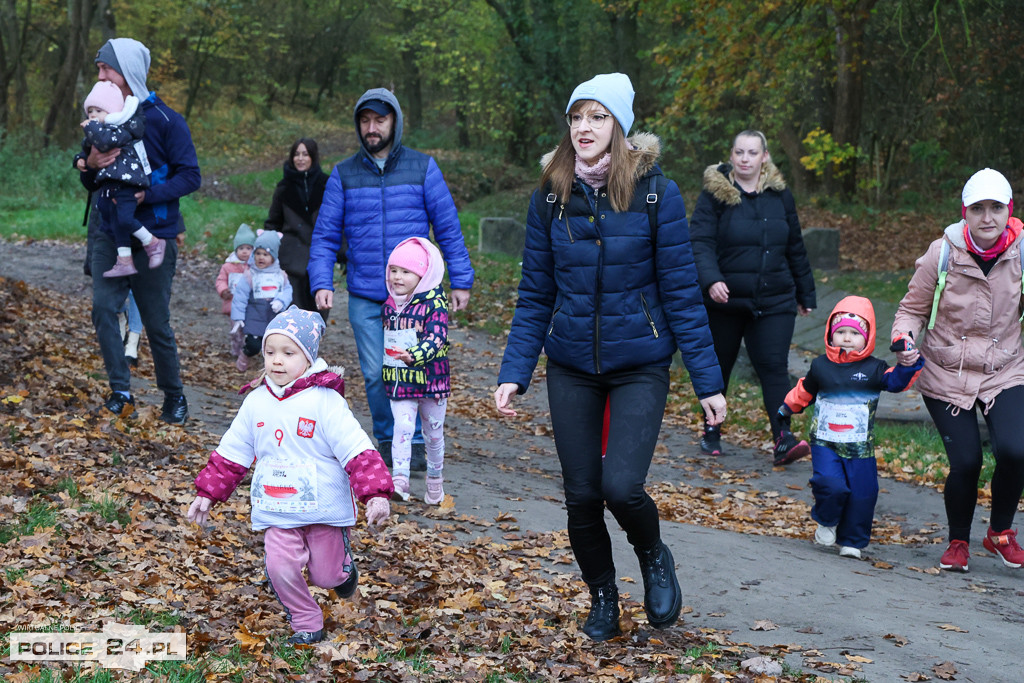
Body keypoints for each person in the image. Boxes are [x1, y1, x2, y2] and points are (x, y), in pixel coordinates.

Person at [493, 73, 726, 642]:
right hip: (571, 363)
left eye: (597, 117)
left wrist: (708, 382)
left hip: (639, 363)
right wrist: (513, 373)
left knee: (620, 486)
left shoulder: (656, 193)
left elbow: (680, 293)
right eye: (576, 117)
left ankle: (653, 555)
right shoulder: (550, 195)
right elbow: (535, 295)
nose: (584, 128)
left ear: (618, 125)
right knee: (581, 496)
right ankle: (602, 595)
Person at [186, 306, 394, 645]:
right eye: (270, 352)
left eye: (288, 352)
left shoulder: (325, 402)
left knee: (326, 576)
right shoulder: (256, 403)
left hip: (323, 508)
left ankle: (341, 570)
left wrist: (376, 494)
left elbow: (356, 448)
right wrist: (207, 493)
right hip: (279, 508)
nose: (276, 361)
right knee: (280, 567)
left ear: (309, 358)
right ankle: (307, 620)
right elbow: (233, 452)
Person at [308, 88, 474, 471]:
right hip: (366, 292)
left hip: (415, 297)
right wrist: (322, 282)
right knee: (374, 371)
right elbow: (326, 235)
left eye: (379, 120)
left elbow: (448, 227)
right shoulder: (343, 174)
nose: (372, 128)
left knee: (411, 367)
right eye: (365, 120)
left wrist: (461, 279)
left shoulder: (423, 168)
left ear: (394, 122)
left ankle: (414, 440)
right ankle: (387, 437)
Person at [892, 168, 1024, 573]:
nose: (988, 217)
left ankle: (1000, 533)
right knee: (966, 461)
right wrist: (903, 340)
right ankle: (958, 541)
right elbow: (911, 310)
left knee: (1017, 450)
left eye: (996, 208)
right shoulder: (943, 252)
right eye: (978, 208)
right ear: (964, 212)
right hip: (947, 370)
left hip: (1004, 368)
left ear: (1009, 211)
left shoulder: (1022, 253)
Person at [77, 37, 200, 424]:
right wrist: (91, 163)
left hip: (154, 237)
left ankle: (174, 396)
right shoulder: (103, 113)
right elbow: (90, 181)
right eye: (99, 68)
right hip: (108, 232)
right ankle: (121, 391)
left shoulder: (166, 121)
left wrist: (148, 195)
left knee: (156, 321)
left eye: (106, 68)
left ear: (128, 72)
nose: (101, 76)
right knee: (102, 308)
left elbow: (191, 176)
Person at [689, 129, 816, 465]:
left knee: (774, 368)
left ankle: (783, 439)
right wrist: (711, 280)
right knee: (719, 368)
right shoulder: (715, 194)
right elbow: (700, 242)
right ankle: (711, 431)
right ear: (731, 155)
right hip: (725, 302)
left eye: (752, 153)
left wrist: (806, 292)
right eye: (739, 152)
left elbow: (795, 246)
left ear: (765, 156)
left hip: (774, 301)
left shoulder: (779, 195)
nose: (745, 159)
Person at [779, 296, 924, 559]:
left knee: (863, 493)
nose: (846, 338)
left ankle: (852, 541)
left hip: (860, 445)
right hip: (825, 441)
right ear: (830, 334)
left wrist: (908, 364)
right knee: (830, 484)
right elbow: (805, 388)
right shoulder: (821, 365)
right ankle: (827, 518)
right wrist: (788, 406)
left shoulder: (874, 369)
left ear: (867, 336)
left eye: (854, 333)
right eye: (841, 332)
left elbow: (896, 382)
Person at [381, 237, 450, 504]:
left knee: (433, 433)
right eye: (394, 270)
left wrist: (416, 355)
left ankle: (435, 481)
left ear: (422, 275)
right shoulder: (388, 305)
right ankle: (400, 481)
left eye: (406, 272)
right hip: (401, 379)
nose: (397, 277)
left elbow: (437, 338)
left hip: (432, 382)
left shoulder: (435, 303)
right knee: (403, 425)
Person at [75, 80, 166, 278]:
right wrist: (81, 160)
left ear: (111, 112)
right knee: (111, 216)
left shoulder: (120, 129)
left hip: (126, 182)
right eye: (90, 111)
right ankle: (124, 259)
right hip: (109, 184)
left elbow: (106, 141)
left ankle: (152, 241)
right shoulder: (97, 131)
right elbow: (86, 149)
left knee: (125, 218)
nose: (92, 116)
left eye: (98, 111)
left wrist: (91, 128)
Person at [264, 138, 330, 317]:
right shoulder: (284, 187)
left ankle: (315, 343)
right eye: (296, 154)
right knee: (293, 312)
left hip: (319, 256)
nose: (300, 158)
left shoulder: (327, 184)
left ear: (313, 157)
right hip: (291, 257)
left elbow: (338, 221)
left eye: (305, 154)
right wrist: (267, 249)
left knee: (319, 311)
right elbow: (273, 222)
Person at [231, 230, 292, 372]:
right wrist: (238, 318)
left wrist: (281, 302)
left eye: (265, 254)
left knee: (273, 345)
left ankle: (269, 369)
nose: (261, 258)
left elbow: (288, 291)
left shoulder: (281, 275)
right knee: (254, 345)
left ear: (274, 256)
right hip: (255, 315)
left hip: (273, 316)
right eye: (258, 253)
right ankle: (245, 354)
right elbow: (240, 296)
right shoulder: (250, 275)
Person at [216, 223, 255, 359]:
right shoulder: (228, 266)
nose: (244, 251)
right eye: (241, 248)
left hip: (251, 305)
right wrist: (223, 290)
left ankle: (247, 350)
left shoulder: (255, 266)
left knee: (249, 329)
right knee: (236, 330)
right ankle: (236, 350)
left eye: (248, 248)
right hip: (233, 304)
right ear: (236, 249)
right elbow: (220, 280)